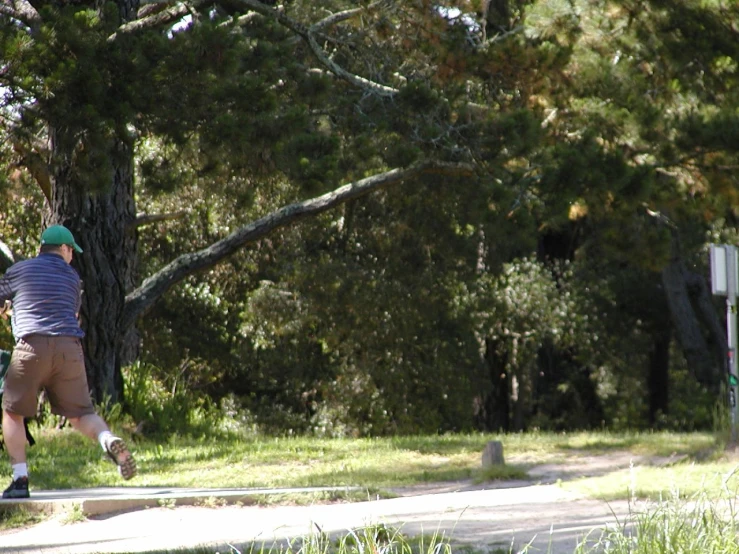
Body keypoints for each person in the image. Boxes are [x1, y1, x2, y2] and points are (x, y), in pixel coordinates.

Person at [0, 224, 136, 499]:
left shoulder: (19, 270)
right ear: (63, 249)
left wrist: (8, 310)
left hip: (31, 346)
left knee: (12, 412)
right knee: (81, 413)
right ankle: (106, 439)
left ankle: (19, 479)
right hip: (69, 349)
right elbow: (67, 312)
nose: (72, 255)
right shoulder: (73, 278)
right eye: (71, 250)